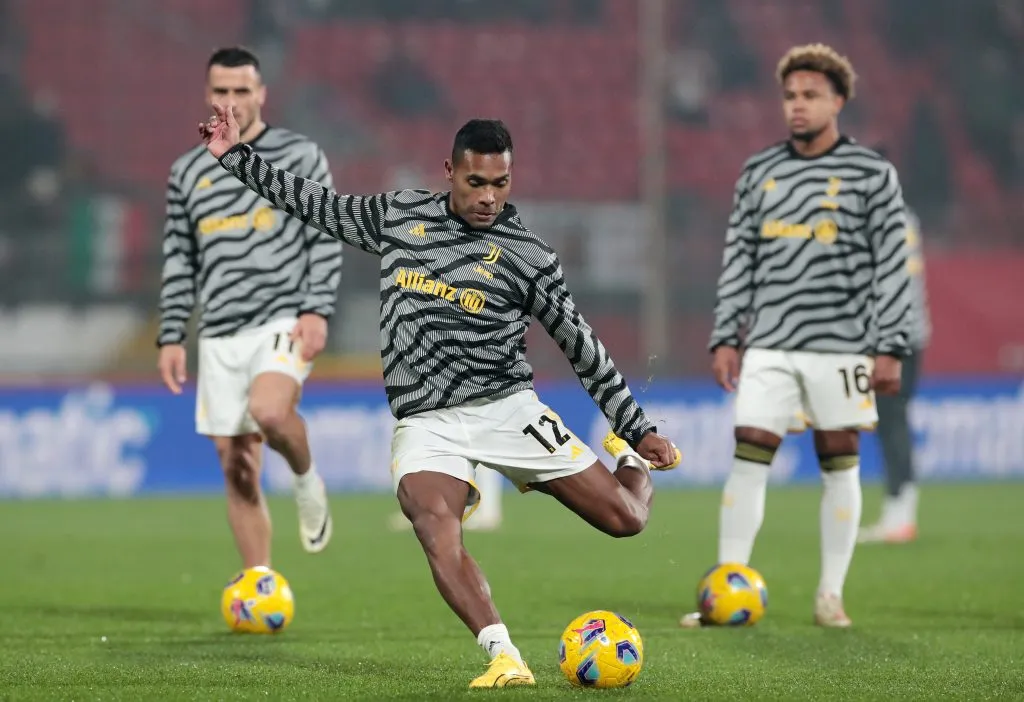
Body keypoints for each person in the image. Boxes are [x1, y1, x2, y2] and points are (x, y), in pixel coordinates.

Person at [199, 108, 681, 688]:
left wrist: (636, 430)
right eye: (476, 182)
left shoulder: (529, 258)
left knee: (626, 519)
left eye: (500, 183)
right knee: (433, 523)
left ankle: (624, 460)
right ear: (449, 171)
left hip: (507, 409)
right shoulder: (401, 216)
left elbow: (583, 348)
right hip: (426, 420)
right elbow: (317, 205)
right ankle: (504, 656)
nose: (488, 197)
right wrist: (235, 157)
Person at [679, 43, 912, 630]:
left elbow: (893, 265)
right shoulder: (759, 171)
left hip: (842, 345)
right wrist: (725, 336)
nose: (797, 105)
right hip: (770, 342)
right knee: (749, 451)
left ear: (838, 101)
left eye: (810, 95)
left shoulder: (871, 174)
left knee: (840, 461)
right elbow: (739, 259)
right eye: (789, 96)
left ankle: (830, 595)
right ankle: (727, 590)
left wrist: (891, 345)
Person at [157, 47, 339, 568]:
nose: (232, 99)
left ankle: (306, 481)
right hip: (218, 331)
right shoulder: (186, 172)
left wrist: (317, 309)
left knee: (270, 411)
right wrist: (171, 334)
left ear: (261, 93)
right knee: (237, 468)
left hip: (281, 316)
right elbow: (180, 257)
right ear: (207, 94)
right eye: (222, 90)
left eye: (242, 89)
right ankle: (260, 581)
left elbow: (325, 232)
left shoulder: (298, 155)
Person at [858, 187, 931, 544]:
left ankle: (900, 514)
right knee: (893, 421)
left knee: (891, 422)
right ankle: (900, 510)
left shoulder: (879, 219)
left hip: (892, 339)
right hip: (911, 334)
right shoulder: (905, 214)